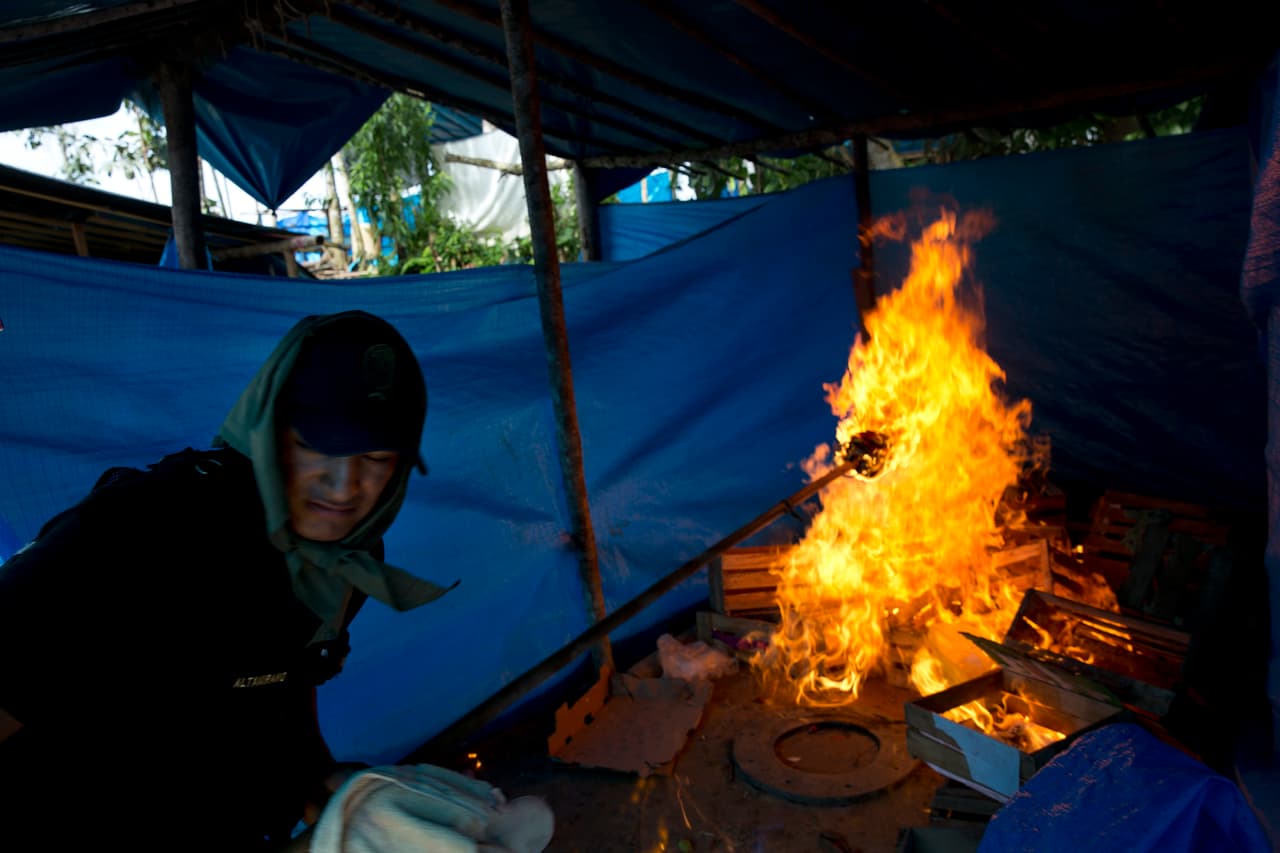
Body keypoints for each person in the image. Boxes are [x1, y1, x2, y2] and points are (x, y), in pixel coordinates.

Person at [0, 310, 458, 849]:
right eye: (317, 445)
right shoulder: (141, 532)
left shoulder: (345, 562)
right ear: (267, 430)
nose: (343, 487)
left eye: (376, 457)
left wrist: (332, 785)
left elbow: (284, 683)